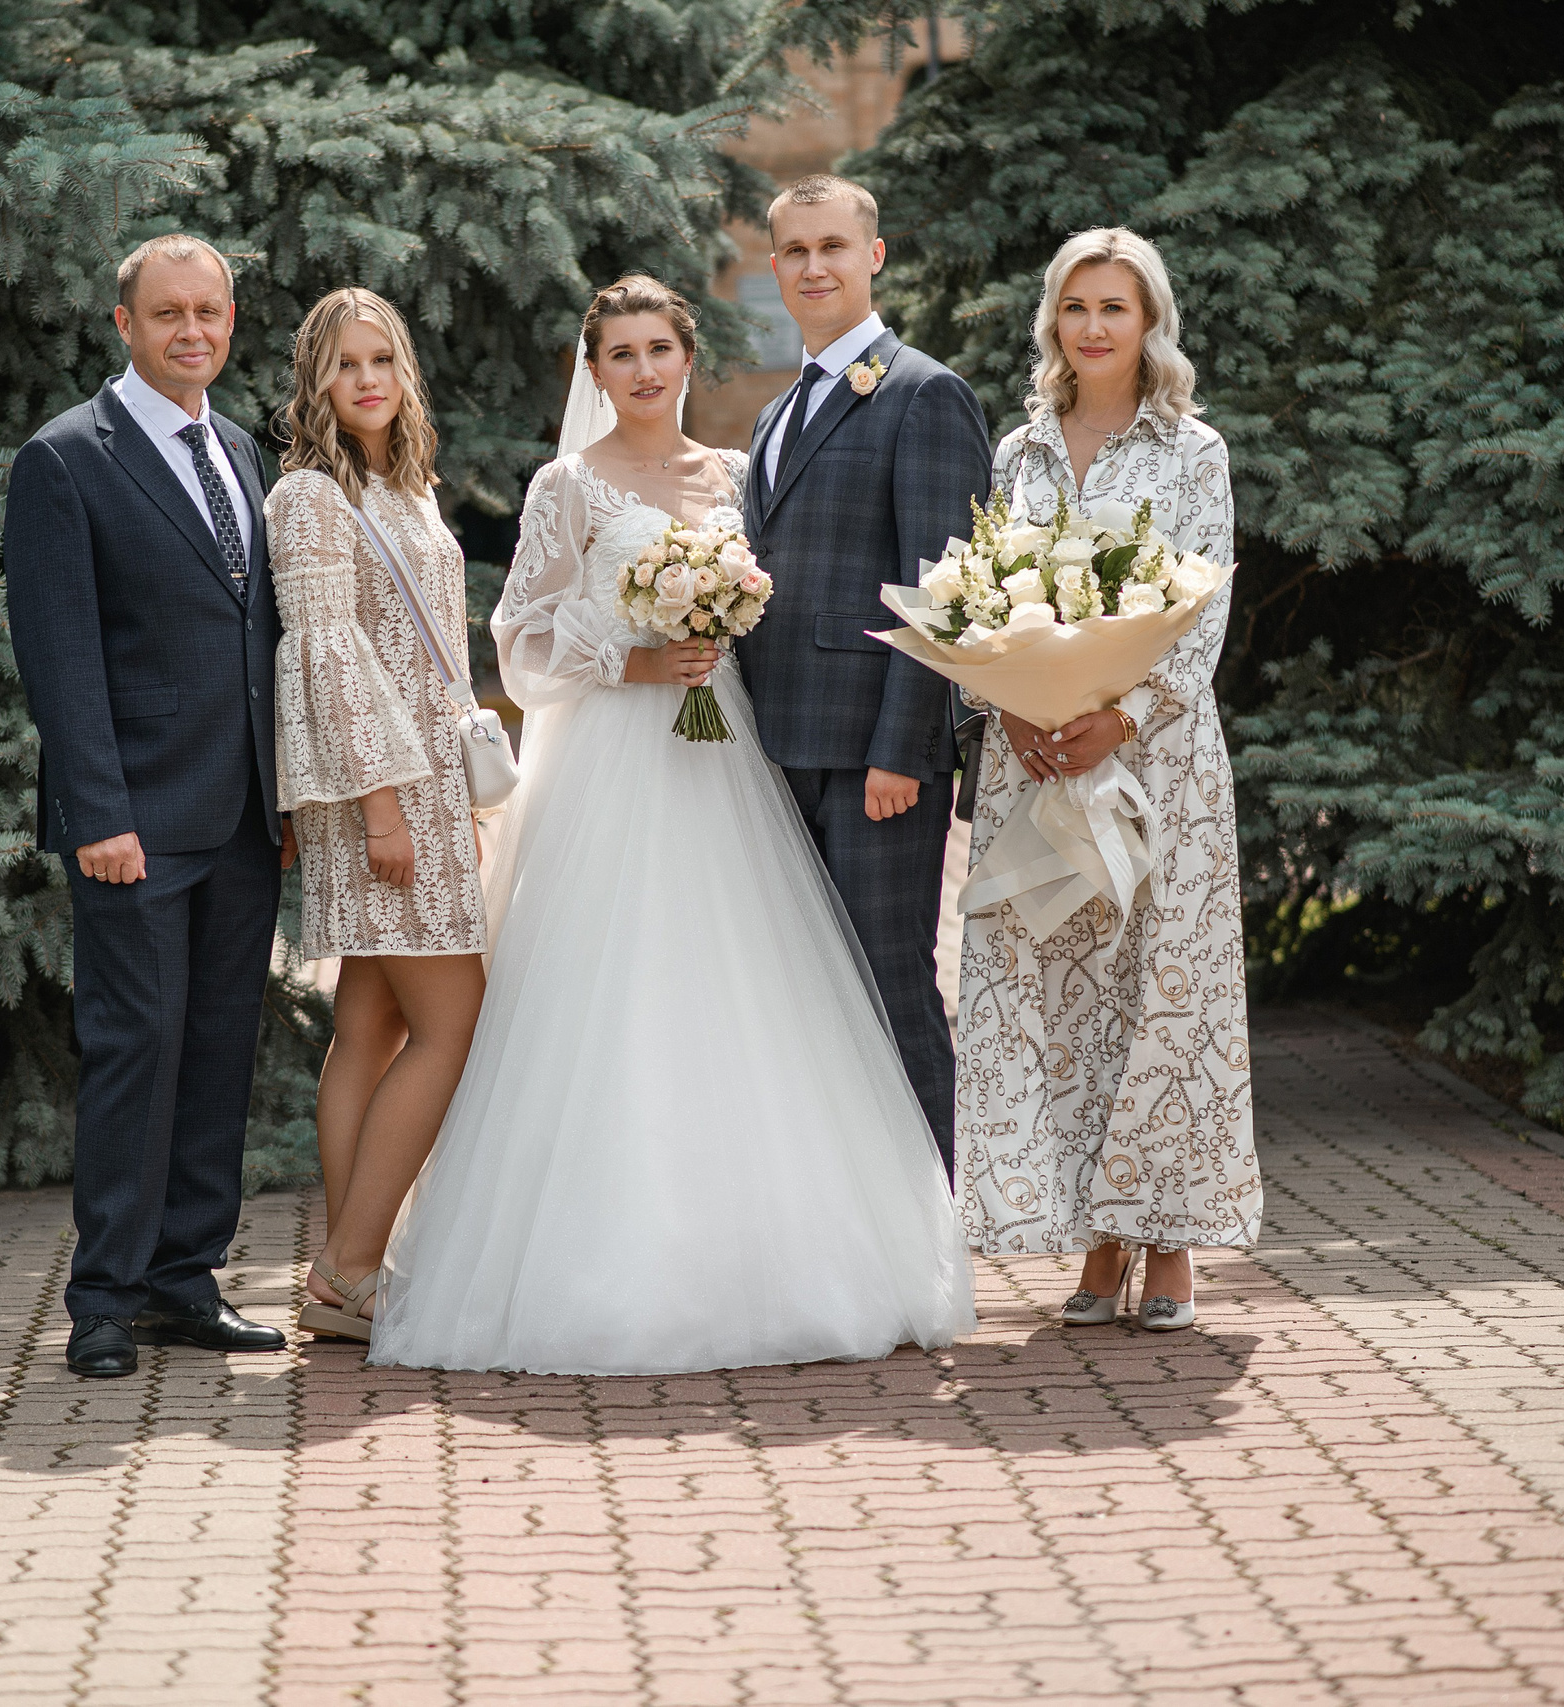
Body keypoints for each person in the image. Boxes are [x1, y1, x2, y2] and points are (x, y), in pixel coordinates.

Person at [369, 275, 974, 1376]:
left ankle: (772, 1245)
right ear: (591, 372)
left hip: (727, 756)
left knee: (747, 986)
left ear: (688, 359)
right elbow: (523, 642)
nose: (643, 370)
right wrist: (636, 660)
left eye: (659, 348)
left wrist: (714, 637)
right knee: (609, 993)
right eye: (620, 354)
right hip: (608, 762)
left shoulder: (737, 478)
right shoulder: (567, 486)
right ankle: (595, 1260)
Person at [953, 226, 1260, 1331]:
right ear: (1052, 323)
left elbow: (1202, 609)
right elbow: (984, 598)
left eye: (1113, 309)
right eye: (1074, 307)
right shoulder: (1016, 454)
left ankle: (1167, 1237)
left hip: (1158, 757)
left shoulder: (1194, 453)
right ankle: (1095, 1233)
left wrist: (1120, 715)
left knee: (1161, 988)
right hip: (1032, 759)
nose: (1091, 327)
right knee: (1063, 994)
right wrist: (1010, 706)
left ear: (1149, 324)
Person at [1, 234, 293, 1379]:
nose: (192, 331)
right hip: (133, 822)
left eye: (210, 312)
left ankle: (184, 1278)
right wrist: (96, 814)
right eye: (168, 312)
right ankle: (104, 1298)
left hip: (241, 814)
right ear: (122, 324)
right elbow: (61, 659)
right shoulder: (67, 459)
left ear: (230, 322)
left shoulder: (235, 449)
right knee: (135, 1048)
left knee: (218, 1048)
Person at [738, 173, 993, 1166]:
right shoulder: (772, 416)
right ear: (773, 267)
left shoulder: (925, 394)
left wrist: (902, 751)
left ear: (872, 256)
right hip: (774, 749)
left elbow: (941, 589)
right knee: (806, 991)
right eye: (794, 251)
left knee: (890, 980)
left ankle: (940, 1207)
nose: (813, 266)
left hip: (873, 761)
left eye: (832, 247)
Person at [264, 288, 488, 1343]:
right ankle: (352, 1266)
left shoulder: (403, 483)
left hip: (423, 787)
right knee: (456, 1021)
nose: (366, 381)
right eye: (344, 364)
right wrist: (385, 806)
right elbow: (328, 655)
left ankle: (342, 1272)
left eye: (381, 362)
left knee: (369, 1024)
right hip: (379, 793)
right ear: (315, 380)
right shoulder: (312, 495)